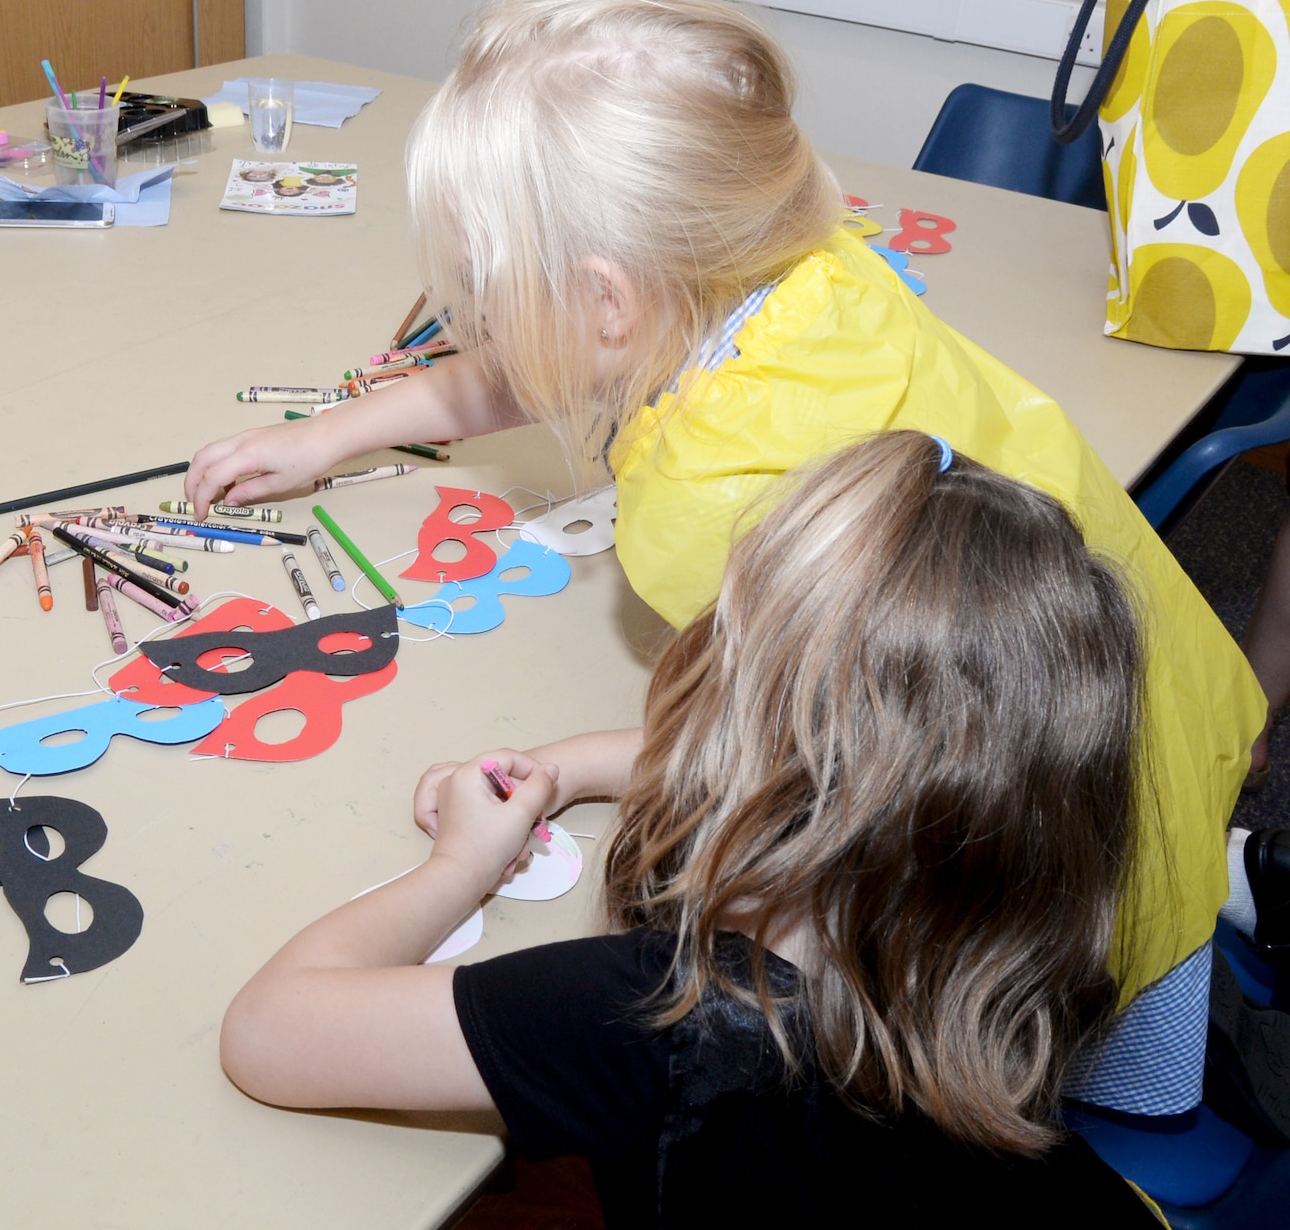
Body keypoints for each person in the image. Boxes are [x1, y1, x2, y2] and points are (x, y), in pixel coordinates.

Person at [186, 0, 1266, 1117]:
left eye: (483, 295)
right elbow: (554, 360)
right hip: (1152, 688)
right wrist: (329, 434)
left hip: (1048, 859)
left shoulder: (722, 499)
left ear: (605, 300)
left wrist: (589, 759)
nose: (472, 322)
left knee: (1074, 1090)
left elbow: (822, 761)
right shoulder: (792, 268)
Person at [223, 432, 1162, 1224]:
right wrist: (562, 767)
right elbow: (842, 773)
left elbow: (269, 1033)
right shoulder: (993, 940)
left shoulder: (664, 1017)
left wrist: (461, 864)